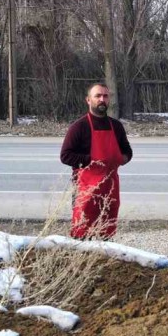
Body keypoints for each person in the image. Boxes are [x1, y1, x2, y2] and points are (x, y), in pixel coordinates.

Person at [60, 83, 133, 239]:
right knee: (82, 232)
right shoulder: (78, 127)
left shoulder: (116, 126)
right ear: (88, 100)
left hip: (110, 187)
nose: (102, 99)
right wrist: (92, 160)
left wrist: (118, 159)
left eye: (105, 96)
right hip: (85, 189)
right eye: (97, 96)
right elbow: (65, 155)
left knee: (106, 232)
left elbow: (128, 152)